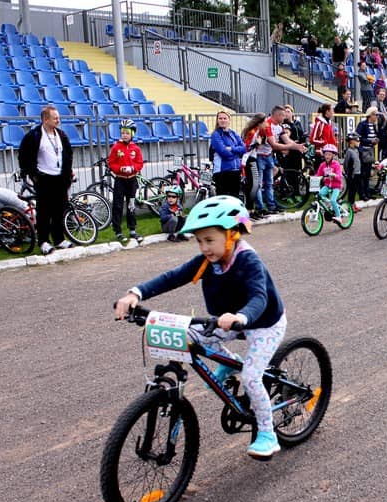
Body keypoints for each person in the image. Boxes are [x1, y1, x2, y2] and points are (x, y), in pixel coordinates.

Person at [114, 196, 286, 458]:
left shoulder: (248, 261)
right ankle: (230, 362)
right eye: (199, 241)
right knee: (190, 336)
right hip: (226, 319)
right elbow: (172, 277)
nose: (204, 247)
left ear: (231, 234)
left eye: (209, 240)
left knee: (251, 378)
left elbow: (259, 297)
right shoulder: (207, 261)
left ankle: (267, 433)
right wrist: (135, 294)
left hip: (263, 322)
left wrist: (242, 316)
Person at [18, 104, 74, 254]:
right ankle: (43, 241)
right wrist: (33, 175)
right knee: (44, 212)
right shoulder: (34, 136)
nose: (58, 120)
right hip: (44, 179)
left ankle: (59, 239)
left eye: (58, 118)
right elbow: (24, 156)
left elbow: (68, 154)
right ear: (45, 119)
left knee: (59, 211)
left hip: (60, 178)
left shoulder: (61, 135)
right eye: (55, 118)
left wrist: (68, 172)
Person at [256, 105, 307, 214]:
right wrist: (292, 147)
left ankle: (271, 206)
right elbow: (274, 145)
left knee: (269, 182)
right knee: (259, 183)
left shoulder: (279, 127)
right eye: (283, 115)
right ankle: (260, 208)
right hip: (258, 156)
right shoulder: (267, 124)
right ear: (278, 115)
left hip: (268, 155)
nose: (285, 117)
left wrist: (297, 146)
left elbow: (287, 140)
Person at [107, 118, 144, 244]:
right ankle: (117, 230)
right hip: (120, 180)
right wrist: (120, 169)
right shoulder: (116, 147)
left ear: (132, 133)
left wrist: (133, 168)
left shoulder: (136, 148)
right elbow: (111, 163)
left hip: (132, 180)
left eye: (127, 133)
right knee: (118, 205)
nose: (124, 135)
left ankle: (132, 229)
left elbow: (140, 163)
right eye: (123, 132)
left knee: (131, 205)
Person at [209, 110, 246, 199]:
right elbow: (223, 152)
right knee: (223, 199)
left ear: (229, 120)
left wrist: (232, 149)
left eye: (225, 118)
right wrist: (237, 154)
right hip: (222, 172)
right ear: (217, 120)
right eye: (220, 118)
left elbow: (244, 148)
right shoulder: (215, 135)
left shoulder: (233, 133)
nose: (222, 120)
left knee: (234, 198)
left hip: (235, 170)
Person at [240, 113, 266, 218]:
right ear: (259, 122)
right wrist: (257, 144)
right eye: (264, 122)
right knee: (253, 185)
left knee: (253, 185)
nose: (266, 124)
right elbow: (246, 148)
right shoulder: (252, 132)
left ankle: (251, 209)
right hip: (249, 160)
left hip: (252, 158)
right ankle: (249, 209)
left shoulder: (257, 131)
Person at [314, 144, 345, 224]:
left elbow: (339, 176)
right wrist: (311, 177)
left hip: (336, 186)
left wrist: (334, 175)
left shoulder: (336, 164)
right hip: (327, 185)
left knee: (333, 200)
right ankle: (329, 206)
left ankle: (339, 217)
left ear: (333, 155)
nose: (327, 156)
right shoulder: (322, 165)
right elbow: (318, 175)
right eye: (326, 154)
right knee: (319, 195)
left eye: (329, 154)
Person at [356, 107, 379, 201]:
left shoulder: (373, 125)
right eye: (375, 115)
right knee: (363, 173)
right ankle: (362, 194)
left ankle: (367, 193)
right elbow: (358, 137)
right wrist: (370, 141)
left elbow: (376, 135)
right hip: (363, 150)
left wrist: (376, 140)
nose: (376, 117)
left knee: (368, 173)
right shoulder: (362, 124)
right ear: (370, 115)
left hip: (370, 150)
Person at [343, 133, 363, 212]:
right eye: (356, 140)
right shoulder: (349, 151)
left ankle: (353, 204)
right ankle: (350, 206)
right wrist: (349, 173)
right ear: (351, 141)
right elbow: (346, 163)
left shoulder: (356, 150)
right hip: (352, 174)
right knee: (351, 191)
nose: (358, 142)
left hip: (357, 173)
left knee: (354, 190)